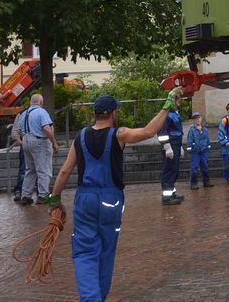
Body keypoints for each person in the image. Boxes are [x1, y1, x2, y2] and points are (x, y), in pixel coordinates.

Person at [48, 89, 182, 302]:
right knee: (106, 251)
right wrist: (166, 106)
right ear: (113, 113)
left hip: (85, 199)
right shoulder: (119, 134)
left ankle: (92, 298)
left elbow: (65, 171)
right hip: (111, 200)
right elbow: (148, 131)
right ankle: (98, 297)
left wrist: (54, 199)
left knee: (84, 252)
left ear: (95, 113)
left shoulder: (80, 137)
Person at [19, 94, 60, 205]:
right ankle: (43, 195)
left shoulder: (23, 114)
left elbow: (19, 130)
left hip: (25, 140)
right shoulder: (41, 112)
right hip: (39, 141)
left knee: (30, 169)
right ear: (41, 102)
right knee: (43, 169)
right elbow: (46, 128)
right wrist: (54, 142)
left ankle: (26, 195)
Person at [158, 93, 185, 205]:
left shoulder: (174, 114)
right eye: (177, 101)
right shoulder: (167, 114)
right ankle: (166, 198)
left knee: (174, 171)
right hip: (170, 146)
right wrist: (167, 147)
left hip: (175, 145)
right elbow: (162, 132)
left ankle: (172, 193)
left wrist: (180, 147)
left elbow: (177, 132)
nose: (179, 103)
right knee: (169, 171)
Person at [185, 111, 213, 190]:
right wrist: (190, 149)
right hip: (195, 152)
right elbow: (190, 140)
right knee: (194, 168)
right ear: (193, 120)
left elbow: (207, 139)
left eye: (198, 117)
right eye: (195, 118)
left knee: (205, 167)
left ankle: (206, 182)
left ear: (201, 118)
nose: (197, 119)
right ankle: (193, 183)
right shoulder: (192, 130)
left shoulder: (205, 129)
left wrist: (208, 147)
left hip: (204, 151)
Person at [11, 109, 27, 202]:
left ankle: (19, 191)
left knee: (23, 169)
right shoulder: (42, 112)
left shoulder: (21, 114)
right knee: (40, 170)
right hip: (36, 145)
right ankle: (42, 193)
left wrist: (20, 142)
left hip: (25, 143)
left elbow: (14, 132)